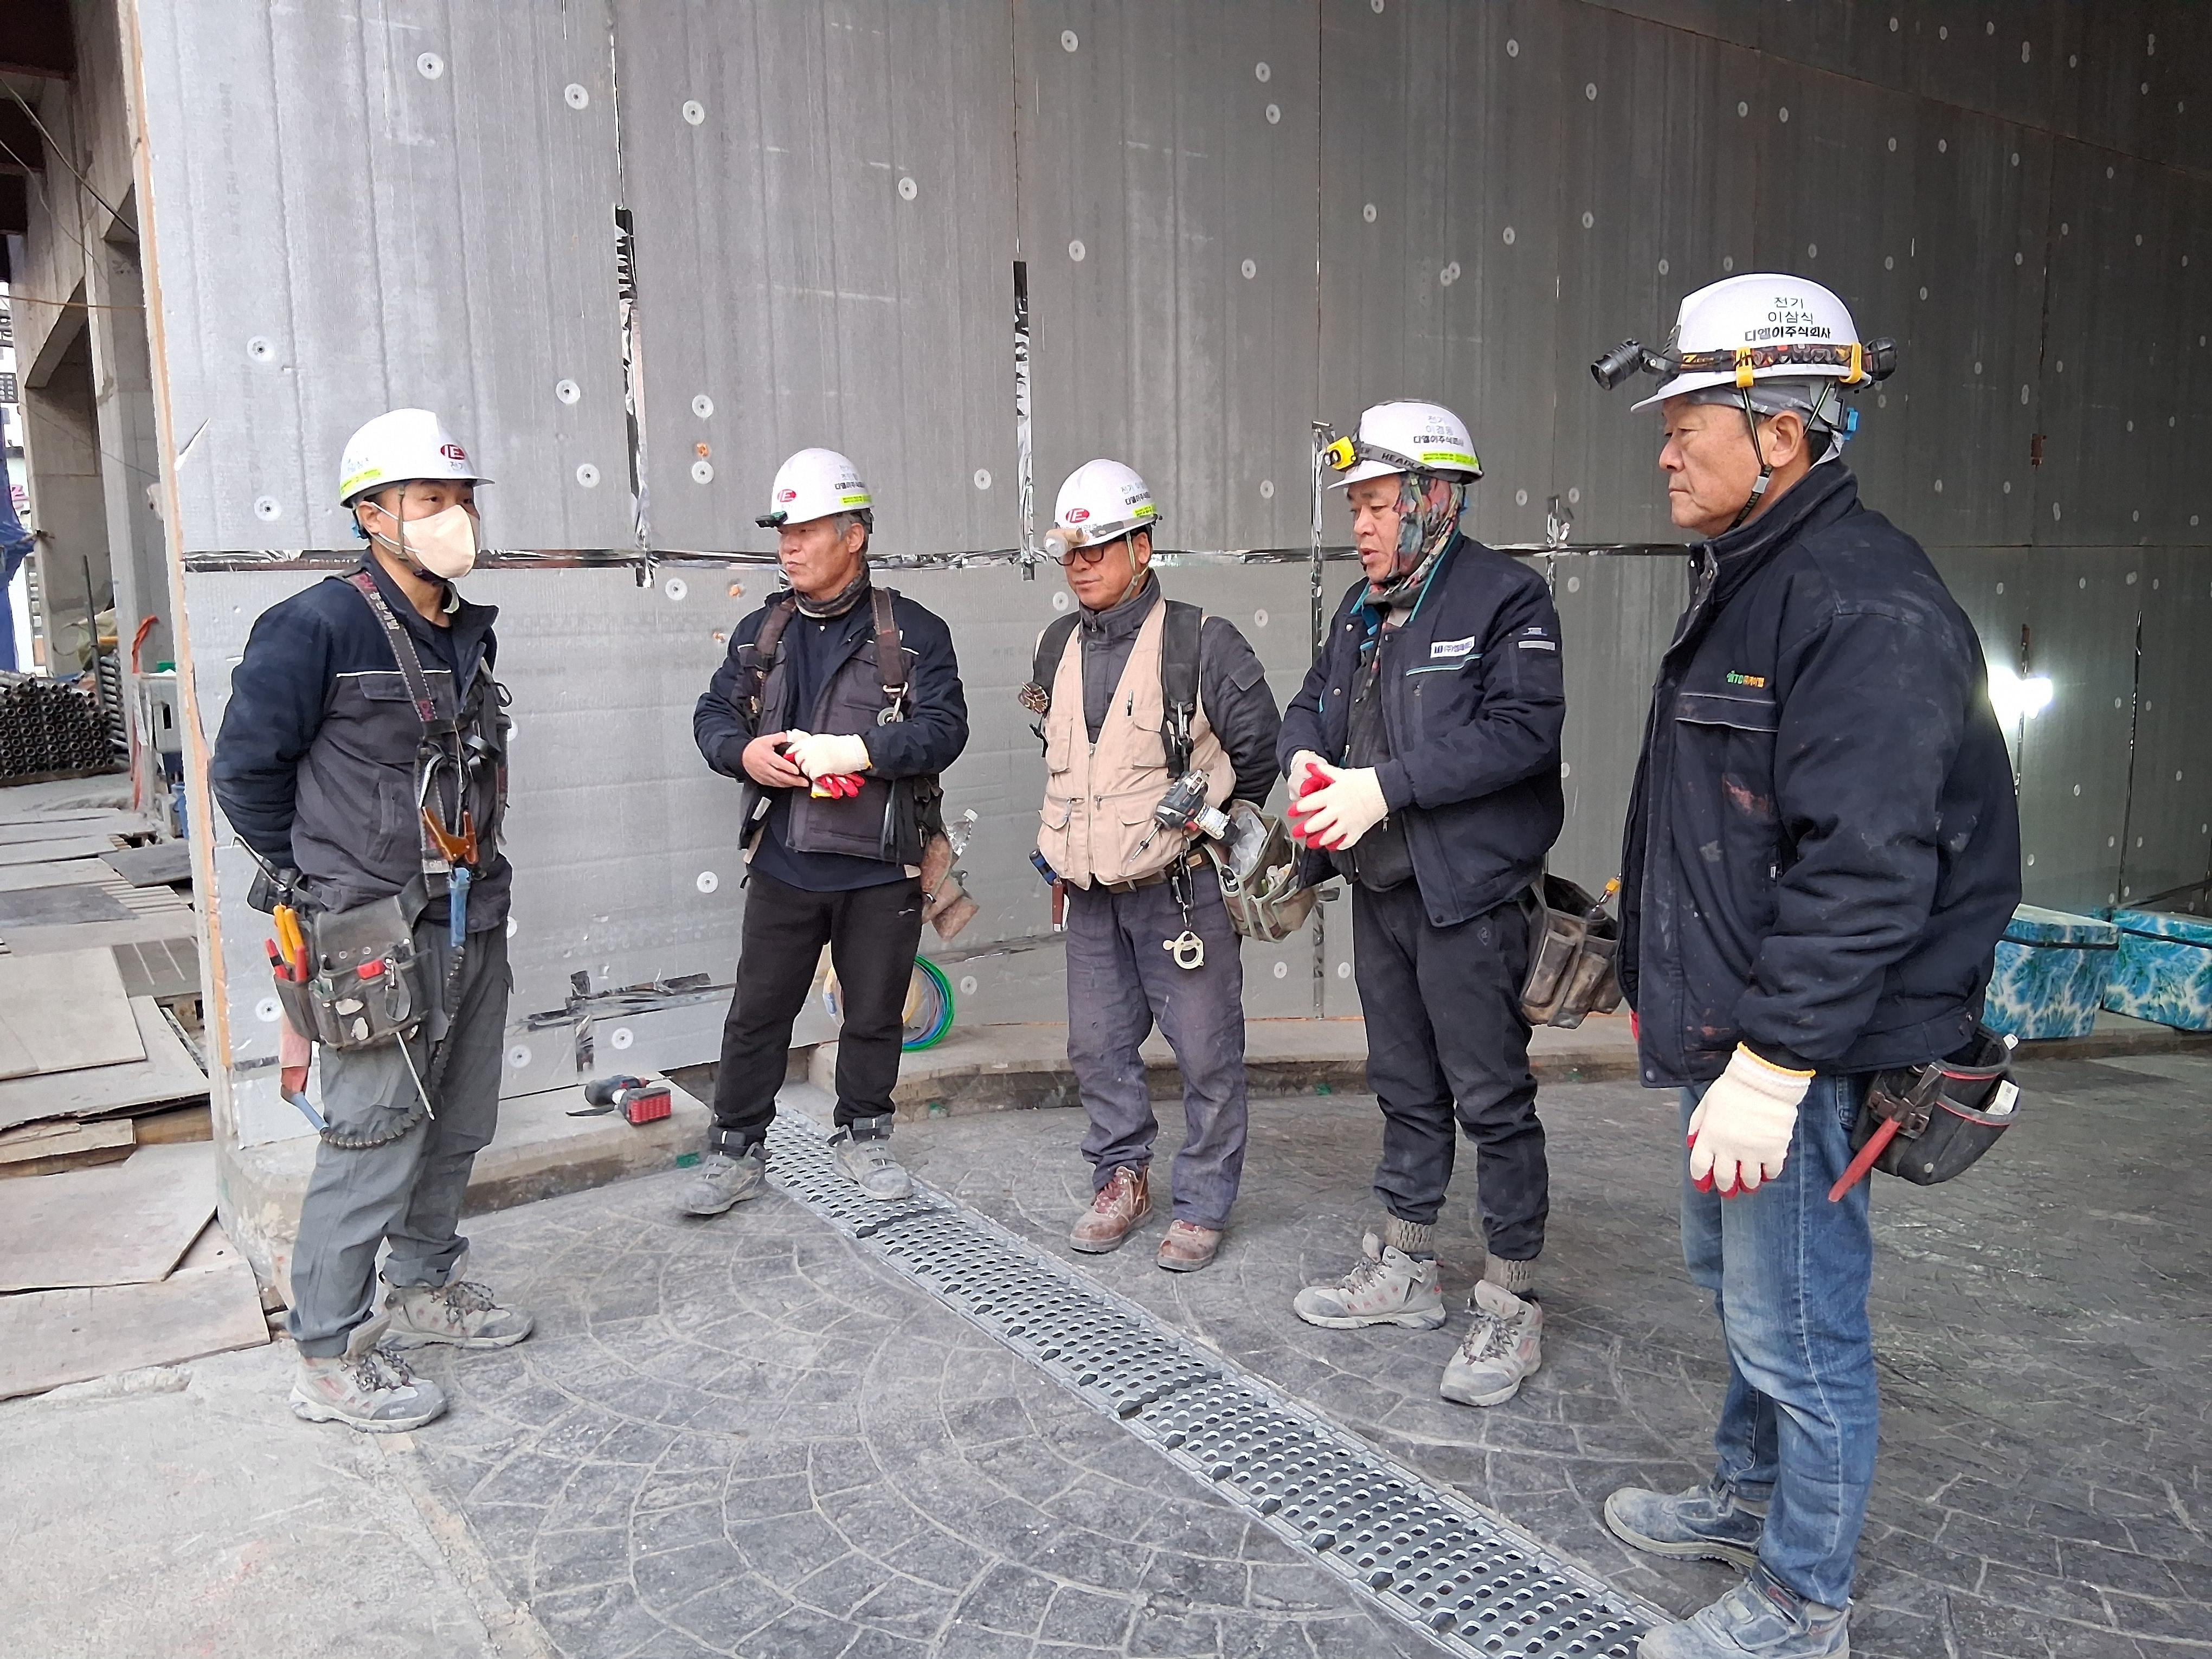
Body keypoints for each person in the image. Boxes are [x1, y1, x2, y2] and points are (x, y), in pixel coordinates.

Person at [1591, 275, 2021, 1658]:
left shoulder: (1859, 602)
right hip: (1747, 1028)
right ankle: (1747, 1495)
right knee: (1739, 1287)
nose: (1666, 452)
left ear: (1780, 434)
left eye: (1688, 426)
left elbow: (1868, 867)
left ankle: (1801, 1597)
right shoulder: (1756, 579)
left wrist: (1774, 1068)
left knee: (1799, 1326)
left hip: (1810, 1048)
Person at [211, 408, 528, 1433]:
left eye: (463, 499)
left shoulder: (464, 629)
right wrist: (324, 882)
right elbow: (243, 773)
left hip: (472, 914)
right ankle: (328, 1352)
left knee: (458, 1121)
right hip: (372, 935)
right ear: (371, 514)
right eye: (431, 499)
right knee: (373, 1134)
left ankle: (426, 1283)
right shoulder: (314, 627)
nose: (454, 517)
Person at [1279, 398, 1565, 1409]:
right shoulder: (1363, 610)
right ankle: (1407, 1267)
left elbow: (1520, 734)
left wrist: (1385, 787)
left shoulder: (1507, 599)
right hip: (1384, 887)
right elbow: (1310, 701)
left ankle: (1513, 1300)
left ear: (1435, 497)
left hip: (1469, 897)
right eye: (1354, 507)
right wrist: (1305, 759)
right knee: (1404, 1082)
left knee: (1491, 1098)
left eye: (1376, 506)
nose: (1359, 526)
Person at [683, 448, 968, 1214]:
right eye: (784, 533)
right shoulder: (762, 632)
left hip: (880, 865)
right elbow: (714, 714)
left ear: (855, 535)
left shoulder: (915, 633)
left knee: (874, 1012)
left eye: (805, 531)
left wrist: (862, 752)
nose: (789, 547)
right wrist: (742, 753)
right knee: (757, 1014)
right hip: (784, 862)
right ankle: (736, 1150)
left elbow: (946, 729)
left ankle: (864, 1137)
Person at [1029, 459, 1281, 1272]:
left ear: (1142, 546)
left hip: (1182, 893)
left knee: (1207, 1052)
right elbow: (1073, 761)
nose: (1079, 564)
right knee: (1097, 1048)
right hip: (1091, 895)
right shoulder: (1056, 647)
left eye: (1097, 548)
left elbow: (1261, 751)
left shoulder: (1201, 642)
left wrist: (1210, 832)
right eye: (1069, 551)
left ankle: (1203, 1202)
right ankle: (1121, 1178)